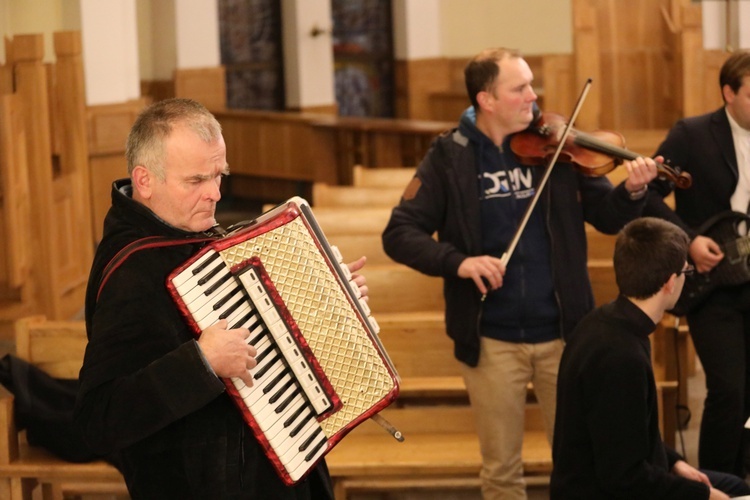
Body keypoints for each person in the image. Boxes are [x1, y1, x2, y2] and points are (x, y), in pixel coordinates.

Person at [381, 47, 660, 499]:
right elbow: (399, 232)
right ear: (486, 99)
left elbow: (609, 217)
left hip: (566, 334)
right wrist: (460, 262)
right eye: (520, 87)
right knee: (501, 471)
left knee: (581, 463)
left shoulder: (559, 146)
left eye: (531, 83)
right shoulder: (449, 156)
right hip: (492, 338)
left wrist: (632, 191)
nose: (534, 94)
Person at [74, 97, 369, 499]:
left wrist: (330, 301)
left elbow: (269, 346)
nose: (214, 194)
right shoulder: (132, 273)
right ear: (144, 181)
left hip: (282, 462)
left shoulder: (195, 236)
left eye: (219, 176)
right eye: (196, 181)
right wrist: (200, 363)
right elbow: (98, 420)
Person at [550, 217, 750, 499]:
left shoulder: (605, 321)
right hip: (602, 491)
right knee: (734, 492)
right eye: (685, 271)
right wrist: (701, 495)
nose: (685, 277)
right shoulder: (620, 357)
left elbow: (630, 435)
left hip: (625, 475)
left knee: (735, 486)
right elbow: (624, 478)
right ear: (670, 283)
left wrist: (675, 462)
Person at [645, 49, 750, 479]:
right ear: (729, 92)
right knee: (728, 389)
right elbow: (649, 195)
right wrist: (689, 240)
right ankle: (716, 483)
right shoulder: (691, 134)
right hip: (713, 283)